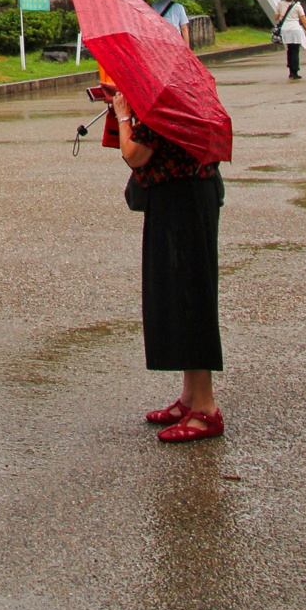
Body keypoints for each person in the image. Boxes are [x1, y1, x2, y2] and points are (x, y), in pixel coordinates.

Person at [111, 88, 224, 442]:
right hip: (192, 193)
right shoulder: (182, 88)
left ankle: (206, 408)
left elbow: (136, 154)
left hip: (180, 200)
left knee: (189, 298)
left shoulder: (158, 98)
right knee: (180, 295)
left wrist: (123, 115)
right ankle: (190, 397)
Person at [276, 0, 306, 82]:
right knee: (295, 50)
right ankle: (295, 71)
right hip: (295, 29)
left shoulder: (280, 4)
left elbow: (276, 17)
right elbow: (304, 20)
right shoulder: (297, 6)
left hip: (285, 29)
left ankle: (291, 70)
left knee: (289, 49)